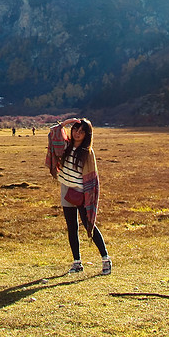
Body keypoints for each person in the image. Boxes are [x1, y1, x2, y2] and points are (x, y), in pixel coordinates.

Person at [45, 117, 111, 275]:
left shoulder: (87, 153)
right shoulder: (66, 146)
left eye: (82, 132)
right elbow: (53, 133)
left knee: (89, 225)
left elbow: (91, 178)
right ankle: (77, 262)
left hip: (82, 193)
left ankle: (105, 259)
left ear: (87, 134)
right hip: (66, 190)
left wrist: (86, 194)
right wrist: (65, 123)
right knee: (72, 227)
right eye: (75, 130)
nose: (77, 133)